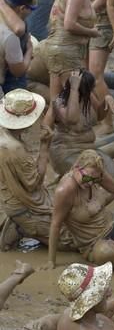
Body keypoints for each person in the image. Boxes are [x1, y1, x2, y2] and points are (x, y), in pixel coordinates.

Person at [59, 0, 114, 136]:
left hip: (101, 25)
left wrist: (78, 17)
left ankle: (108, 121)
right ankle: (91, 113)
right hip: (89, 27)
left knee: (97, 75)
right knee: (86, 73)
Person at [0, 89, 75, 250]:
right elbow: (33, 183)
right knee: (73, 240)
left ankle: (17, 223)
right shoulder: (15, 149)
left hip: (12, 199)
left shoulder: (5, 137)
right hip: (26, 207)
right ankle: (22, 226)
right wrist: (44, 146)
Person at [45, 0, 103, 103]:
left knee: (57, 99)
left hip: (59, 49)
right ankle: (78, 126)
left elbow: (57, 15)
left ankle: (48, 127)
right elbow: (69, 24)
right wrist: (92, 32)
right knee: (78, 97)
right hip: (66, 51)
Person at [47, 69, 114, 177]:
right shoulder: (60, 103)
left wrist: (106, 100)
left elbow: (99, 116)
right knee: (96, 174)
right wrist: (74, 89)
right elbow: (72, 119)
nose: (93, 90)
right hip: (66, 153)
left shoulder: (88, 97)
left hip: (89, 148)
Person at [0, 0, 35, 96]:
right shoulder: (12, 35)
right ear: (22, 8)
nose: (33, 11)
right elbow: (18, 71)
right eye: (33, 8)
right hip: (9, 81)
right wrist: (29, 50)